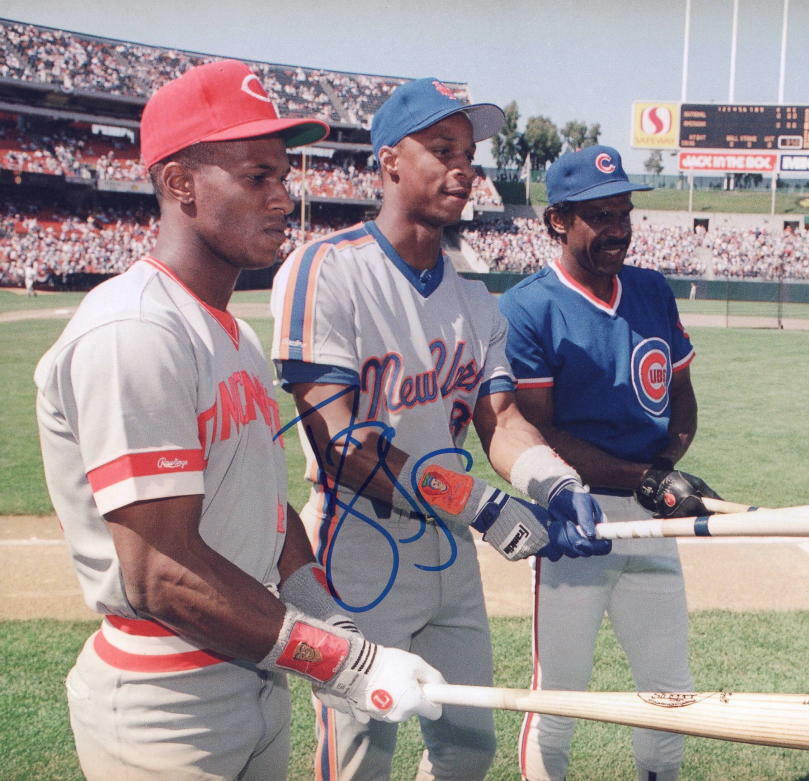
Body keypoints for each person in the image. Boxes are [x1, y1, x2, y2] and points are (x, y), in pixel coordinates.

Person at [34, 60, 444, 781]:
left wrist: (327, 616)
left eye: (283, 177)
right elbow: (161, 572)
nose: (283, 198)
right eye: (257, 176)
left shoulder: (233, 333)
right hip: (166, 698)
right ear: (181, 184)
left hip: (255, 672)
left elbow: (264, 506)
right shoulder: (136, 330)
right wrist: (337, 658)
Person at [269, 78, 610, 781]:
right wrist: (479, 504)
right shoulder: (325, 271)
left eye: (471, 152)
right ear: (390, 161)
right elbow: (340, 444)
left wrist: (557, 482)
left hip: (448, 555)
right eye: (442, 148)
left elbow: (503, 421)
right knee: (360, 752)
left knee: (467, 745)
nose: (464, 167)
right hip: (358, 547)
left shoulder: (474, 300)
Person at [499, 145, 722, 781]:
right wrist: (645, 478)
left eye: (623, 211)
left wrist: (666, 466)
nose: (618, 228)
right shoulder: (527, 307)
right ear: (557, 222)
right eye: (599, 215)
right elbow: (540, 434)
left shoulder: (650, 290)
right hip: (576, 519)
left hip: (652, 520)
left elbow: (680, 396)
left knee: (669, 689)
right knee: (561, 696)